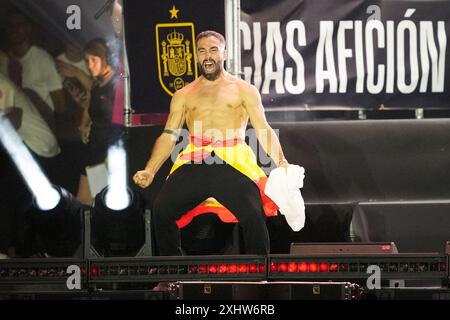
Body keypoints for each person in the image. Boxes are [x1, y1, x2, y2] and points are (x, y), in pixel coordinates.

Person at [133, 30, 289, 256]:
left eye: (213, 50)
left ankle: (260, 278)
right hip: (195, 160)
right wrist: (150, 170)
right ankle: (171, 276)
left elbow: (263, 129)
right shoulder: (184, 94)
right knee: (161, 210)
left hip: (232, 161)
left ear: (224, 54)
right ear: (196, 57)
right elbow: (169, 135)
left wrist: (281, 161)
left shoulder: (244, 90)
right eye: (202, 51)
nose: (208, 56)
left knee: (253, 214)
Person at [73, 38, 118, 205]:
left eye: (94, 60)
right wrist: (84, 125)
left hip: (106, 153)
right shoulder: (97, 85)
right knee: (84, 202)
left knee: (99, 204)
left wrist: (109, 157)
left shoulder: (117, 85)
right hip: (94, 150)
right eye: (87, 61)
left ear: (106, 58)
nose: (90, 65)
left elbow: (119, 124)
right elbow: (90, 107)